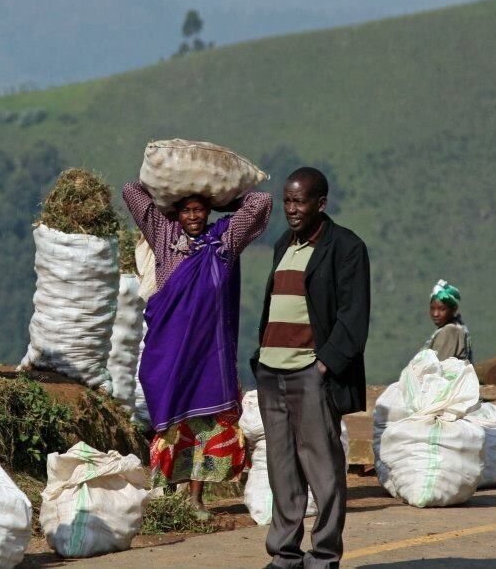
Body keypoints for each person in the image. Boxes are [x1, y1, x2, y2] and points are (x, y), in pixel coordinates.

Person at [123, 180, 271, 518]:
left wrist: (225, 202)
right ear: (177, 211)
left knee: (204, 426)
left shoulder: (223, 240)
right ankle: (164, 491)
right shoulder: (163, 235)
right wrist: (164, 193)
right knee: (168, 422)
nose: (193, 216)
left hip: (207, 355)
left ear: (208, 210)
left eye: (199, 209)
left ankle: (195, 500)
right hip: (168, 352)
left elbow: (261, 201)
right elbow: (131, 191)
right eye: (187, 210)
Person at [251, 167, 369, 569]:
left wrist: (323, 368)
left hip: (310, 374)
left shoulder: (346, 247)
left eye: (299, 201)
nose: (291, 209)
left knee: (323, 470)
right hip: (271, 371)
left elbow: (353, 320)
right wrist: (261, 356)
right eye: (287, 200)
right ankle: (284, 555)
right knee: (282, 470)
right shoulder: (284, 243)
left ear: (321, 203)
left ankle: (323, 556)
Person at [424, 279, 473, 363]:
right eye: (432, 308)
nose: (435, 314)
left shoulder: (450, 331)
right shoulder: (453, 329)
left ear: (454, 309)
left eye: (442, 309)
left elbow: (437, 366)